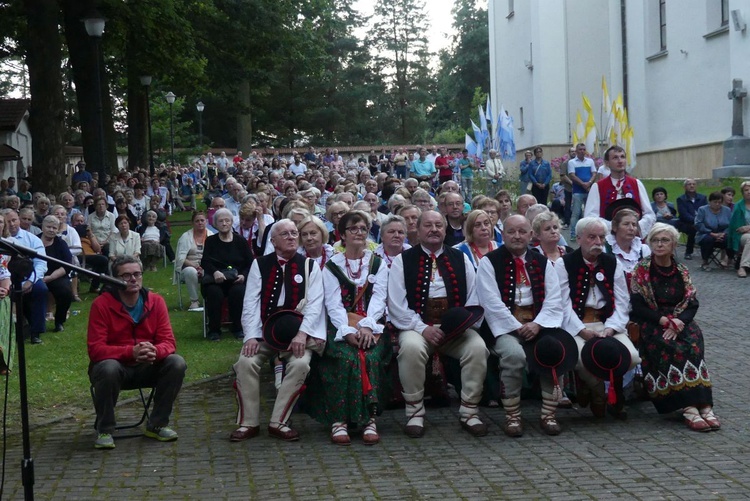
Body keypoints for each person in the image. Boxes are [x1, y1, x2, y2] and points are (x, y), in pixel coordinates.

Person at [387, 210, 488, 438]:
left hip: (456, 331)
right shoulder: (402, 261)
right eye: (428, 225)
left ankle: (470, 411)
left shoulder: (460, 258)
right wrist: (423, 328)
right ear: (418, 230)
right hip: (417, 327)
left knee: (477, 348)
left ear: (445, 229)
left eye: (438, 225)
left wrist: (460, 326)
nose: (434, 229)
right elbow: (396, 305)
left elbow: (474, 297)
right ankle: (414, 412)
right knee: (410, 348)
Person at [230, 219, 325, 443]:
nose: (292, 237)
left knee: (301, 363)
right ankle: (248, 422)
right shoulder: (259, 264)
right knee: (246, 362)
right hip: (264, 332)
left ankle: (278, 421)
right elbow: (251, 303)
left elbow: (315, 305)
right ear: (273, 241)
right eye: (285, 234)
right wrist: (251, 335)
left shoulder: (310, 266)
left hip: (297, 335)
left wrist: (302, 334)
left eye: (294, 233)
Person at [476, 215, 569, 436]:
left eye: (521, 231)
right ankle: (512, 415)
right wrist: (516, 327)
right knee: (514, 355)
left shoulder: (543, 262)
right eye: (511, 231)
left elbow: (554, 299)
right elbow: (490, 301)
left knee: (552, 351)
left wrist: (537, 324)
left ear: (531, 235)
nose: (517, 236)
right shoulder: (489, 262)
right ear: (503, 234)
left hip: (539, 325)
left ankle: (548, 413)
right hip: (505, 328)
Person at [306, 211, 390, 445]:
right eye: (353, 228)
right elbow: (332, 303)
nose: (359, 233)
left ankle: (370, 419)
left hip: (371, 326)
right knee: (345, 358)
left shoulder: (377, 264)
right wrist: (347, 331)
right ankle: (339, 419)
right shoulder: (332, 266)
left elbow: (379, 299)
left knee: (370, 356)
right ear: (342, 234)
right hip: (339, 326)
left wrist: (366, 327)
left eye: (363, 228)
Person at [88, 255, 187, 449]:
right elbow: (96, 349)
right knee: (108, 367)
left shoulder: (156, 301)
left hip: (147, 366)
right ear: (114, 279)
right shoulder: (101, 305)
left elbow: (169, 342)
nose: (133, 279)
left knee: (177, 362)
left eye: (137, 274)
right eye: (126, 276)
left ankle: (157, 425)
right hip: (115, 368)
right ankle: (105, 429)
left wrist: (155, 351)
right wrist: (130, 352)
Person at [629, 224, 719, 432]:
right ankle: (688, 406)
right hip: (653, 321)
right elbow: (638, 305)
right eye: (655, 240)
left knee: (693, 341)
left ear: (674, 244)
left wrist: (680, 321)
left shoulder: (681, 270)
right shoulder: (642, 270)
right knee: (669, 345)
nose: (659, 244)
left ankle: (704, 404)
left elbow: (692, 302)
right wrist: (663, 321)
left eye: (665, 240)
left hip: (678, 320)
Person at [557, 217, 640, 419]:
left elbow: (622, 300)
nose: (598, 242)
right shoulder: (564, 263)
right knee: (581, 358)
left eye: (601, 237)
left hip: (607, 324)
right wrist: (582, 331)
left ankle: (598, 390)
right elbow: (562, 303)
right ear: (579, 238)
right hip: (576, 325)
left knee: (631, 357)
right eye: (592, 237)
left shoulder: (612, 263)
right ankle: (596, 391)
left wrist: (611, 328)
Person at [201, 208, 253, 341]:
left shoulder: (240, 241)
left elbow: (250, 263)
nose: (224, 224)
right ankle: (214, 330)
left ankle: (238, 328)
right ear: (215, 224)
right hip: (216, 280)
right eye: (221, 221)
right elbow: (205, 261)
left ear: (231, 222)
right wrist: (215, 272)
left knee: (238, 292)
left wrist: (243, 275)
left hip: (237, 280)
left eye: (227, 220)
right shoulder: (211, 241)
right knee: (214, 293)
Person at [583, 145, 656, 238]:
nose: (620, 161)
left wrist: (636, 226)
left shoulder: (636, 184)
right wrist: (613, 227)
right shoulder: (598, 186)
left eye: (622, 157)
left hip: (634, 238)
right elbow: (590, 217)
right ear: (607, 163)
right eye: (615, 158)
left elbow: (649, 214)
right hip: (609, 239)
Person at [3, 209, 47, 344]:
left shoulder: (32, 239)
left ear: (19, 220)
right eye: (7, 221)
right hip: (4, 278)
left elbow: (41, 263)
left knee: (41, 289)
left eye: (14, 220)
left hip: (28, 277)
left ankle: (36, 332)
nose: (11, 224)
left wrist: (30, 282)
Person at [39, 215, 74, 333]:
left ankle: (59, 321)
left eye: (54, 228)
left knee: (66, 293)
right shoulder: (34, 240)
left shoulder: (61, 243)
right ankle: (34, 323)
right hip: (36, 276)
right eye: (48, 227)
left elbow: (67, 265)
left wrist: (51, 277)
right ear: (42, 227)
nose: (51, 230)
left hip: (55, 275)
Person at [174, 211, 214, 311]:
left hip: (207, 266)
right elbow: (180, 258)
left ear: (206, 221)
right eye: (197, 221)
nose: (200, 223)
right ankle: (194, 301)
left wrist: (204, 267)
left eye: (202, 220)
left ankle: (211, 299)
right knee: (191, 272)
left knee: (213, 272)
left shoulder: (212, 236)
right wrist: (195, 266)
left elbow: (215, 256)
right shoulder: (185, 237)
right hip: (188, 267)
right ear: (192, 223)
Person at [605, 208, 651, 281]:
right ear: (615, 227)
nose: (631, 228)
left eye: (634, 224)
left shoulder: (643, 249)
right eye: (626, 224)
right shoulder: (605, 249)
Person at [695, 191, 732, 272]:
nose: (717, 204)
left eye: (719, 202)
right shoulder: (702, 210)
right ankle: (705, 261)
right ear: (710, 202)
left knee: (730, 239)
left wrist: (723, 234)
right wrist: (712, 234)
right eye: (715, 202)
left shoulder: (727, 210)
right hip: (705, 234)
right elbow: (698, 224)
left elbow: (730, 225)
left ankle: (728, 260)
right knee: (708, 240)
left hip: (722, 234)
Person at [567, 143, 597, 242]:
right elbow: (572, 175)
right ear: (576, 151)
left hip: (589, 190)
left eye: (584, 149)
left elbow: (594, 173)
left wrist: (589, 183)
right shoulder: (572, 162)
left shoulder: (590, 161)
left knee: (589, 212)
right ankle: (573, 233)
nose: (582, 151)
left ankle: (589, 233)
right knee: (576, 213)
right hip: (577, 191)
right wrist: (582, 184)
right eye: (580, 149)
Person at [675, 179, 707, 260]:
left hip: (701, 222)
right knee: (693, 229)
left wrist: (700, 221)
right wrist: (697, 221)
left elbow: (706, 211)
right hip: (685, 223)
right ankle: (688, 252)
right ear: (685, 187)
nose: (692, 186)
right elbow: (684, 214)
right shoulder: (681, 199)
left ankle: (707, 251)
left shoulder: (702, 198)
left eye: (693, 184)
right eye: (689, 184)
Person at [728, 181, 750, 277]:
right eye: (746, 190)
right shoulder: (738, 206)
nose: (749, 192)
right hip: (741, 236)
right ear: (742, 193)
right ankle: (743, 266)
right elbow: (737, 228)